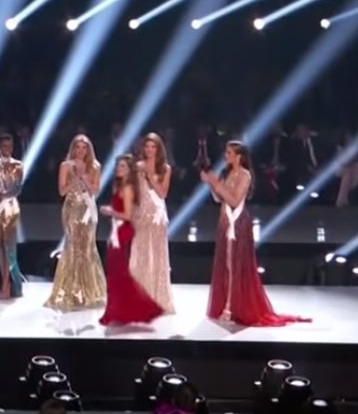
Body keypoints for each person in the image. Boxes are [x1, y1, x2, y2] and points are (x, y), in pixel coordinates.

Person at [200, 141, 311, 326]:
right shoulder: (228, 173)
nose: (225, 156)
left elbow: (235, 200)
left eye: (229, 153)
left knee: (237, 266)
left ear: (239, 156)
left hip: (238, 224)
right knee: (226, 266)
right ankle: (227, 304)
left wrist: (215, 182)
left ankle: (236, 306)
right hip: (224, 223)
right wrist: (212, 185)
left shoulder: (245, 175)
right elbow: (219, 197)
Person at [99, 154, 164, 326]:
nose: (118, 169)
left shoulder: (127, 188)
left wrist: (109, 211)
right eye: (118, 166)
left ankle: (135, 309)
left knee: (119, 272)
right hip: (117, 231)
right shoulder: (119, 187)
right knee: (115, 273)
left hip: (124, 232)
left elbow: (128, 215)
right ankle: (116, 311)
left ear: (129, 170)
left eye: (122, 166)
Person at [45, 134, 107, 311]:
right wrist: (74, 179)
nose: (80, 151)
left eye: (84, 147)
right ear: (73, 148)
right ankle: (71, 290)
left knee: (87, 248)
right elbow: (62, 191)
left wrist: (84, 176)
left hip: (88, 210)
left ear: (88, 149)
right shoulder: (65, 166)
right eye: (77, 147)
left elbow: (95, 190)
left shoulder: (95, 166)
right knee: (72, 247)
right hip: (71, 209)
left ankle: (89, 291)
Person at [129, 133, 175, 314]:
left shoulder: (165, 168)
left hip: (157, 215)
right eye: (147, 146)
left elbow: (163, 193)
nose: (149, 150)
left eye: (153, 147)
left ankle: (157, 298)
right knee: (139, 255)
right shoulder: (137, 167)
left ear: (159, 149)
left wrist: (151, 177)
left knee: (156, 256)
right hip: (141, 213)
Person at [0, 134, 24, 299]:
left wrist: (5, 197)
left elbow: (17, 189)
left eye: (9, 146)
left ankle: (11, 286)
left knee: (9, 247)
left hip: (11, 208)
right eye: (4, 146)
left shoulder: (19, 165)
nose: (6, 149)